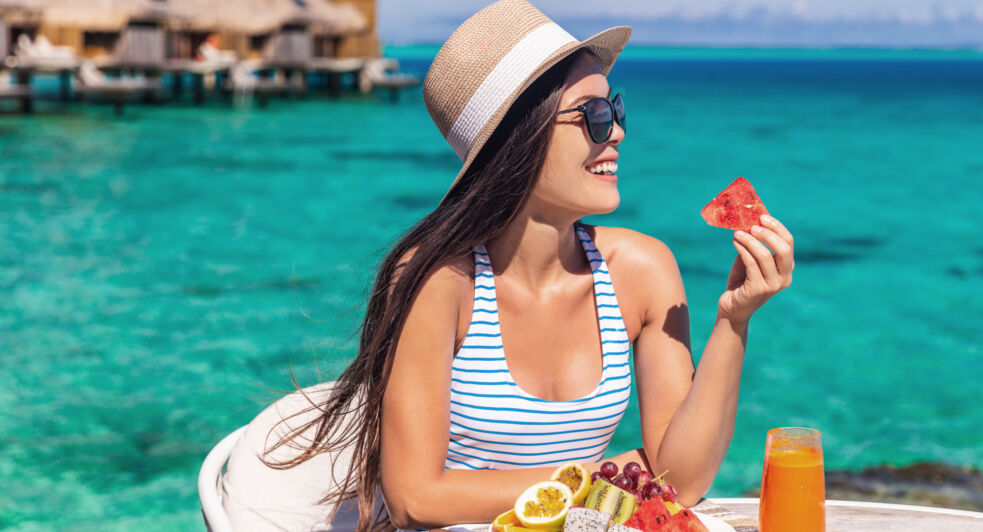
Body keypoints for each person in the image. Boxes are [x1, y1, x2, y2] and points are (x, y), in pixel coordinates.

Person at [220, 1, 794, 531]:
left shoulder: (642, 269)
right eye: (593, 115)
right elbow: (415, 499)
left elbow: (681, 482)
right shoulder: (437, 281)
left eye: (616, 108)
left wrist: (734, 320)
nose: (616, 131)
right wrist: (605, 477)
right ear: (521, 137)